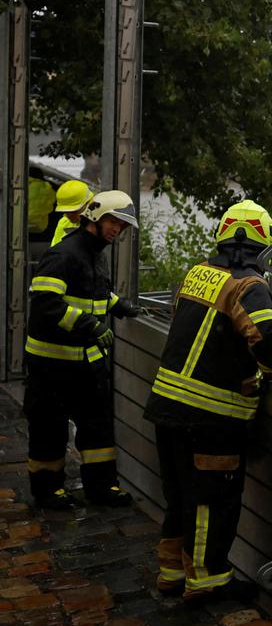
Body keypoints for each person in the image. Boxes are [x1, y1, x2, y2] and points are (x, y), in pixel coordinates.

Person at [144, 200, 272, 602]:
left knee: (179, 494)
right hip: (211, 418)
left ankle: (171, 572)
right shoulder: (249, 286)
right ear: (264, 242)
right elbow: (268, 339)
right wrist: (271, 377)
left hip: (167, 406)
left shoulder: (197, 274)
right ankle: (207, 580)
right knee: (211, 500)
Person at [25, 190, 142, 509]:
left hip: (86, 366)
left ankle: (102, 488)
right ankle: (48, 492)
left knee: (97, 428)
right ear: (95, 215)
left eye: (122, 226)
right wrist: (90, 326)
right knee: (49, 429)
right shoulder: (64, 255)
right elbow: (46, 304)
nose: (117, 230)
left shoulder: (94, 254)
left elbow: (96, 293)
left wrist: (122, 307)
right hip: (51, 365)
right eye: (113, 222)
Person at [49, 179, 93, 246]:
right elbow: (54, 250)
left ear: (88, 203)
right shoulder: (63, 223)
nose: (69, 215)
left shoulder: (100, 224)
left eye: (74, 211)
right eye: (66, 211)